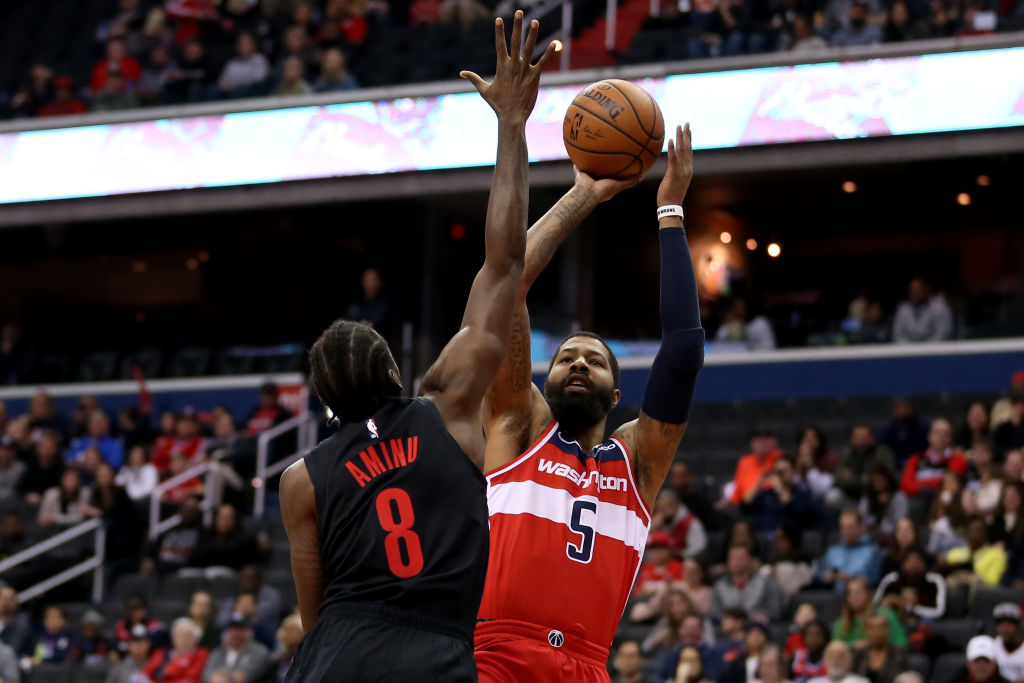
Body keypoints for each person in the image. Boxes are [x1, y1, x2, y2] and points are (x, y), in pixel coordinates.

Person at [279, 14, 557, 682]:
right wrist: (512, 127)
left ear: (323, 399)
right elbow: (503, 263)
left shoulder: (301, 479)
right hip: (436, 649)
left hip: (340, 652)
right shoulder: (448, 403)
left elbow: (313, 614)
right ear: (391, 364)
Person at [474, 100, 703, 683]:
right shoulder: (517, 424)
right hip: (497, 653)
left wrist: (670, 209)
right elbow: (508, 282)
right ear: (543, 380)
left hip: (586, 666)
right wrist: (583, 194)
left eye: (594, 360)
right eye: (566, 357)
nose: (578, 363)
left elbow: (682, 351)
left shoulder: (637, 461)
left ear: (616, 391)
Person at [742, 454, 815, 531]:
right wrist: (758, 484)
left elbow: (800, 513)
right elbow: (745, 505)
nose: (779, 475)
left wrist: (780, 489)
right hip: (762, 534)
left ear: (793, 472)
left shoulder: (801, 494)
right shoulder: (767, 494)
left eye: (782, 472)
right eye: (776, 472)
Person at [710, 544, 782, 621]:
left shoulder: (766, 583)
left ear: (750, 560)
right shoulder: (720, 586)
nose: (737, 561)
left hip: (757, 627)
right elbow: (714, 613)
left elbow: (775, 611)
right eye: (733, 558)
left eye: (741, 558)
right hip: (728, 629)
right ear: (728, 561)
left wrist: (764, 615)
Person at [900, 418, 967, 498]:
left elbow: (950, 484)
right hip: (916, 500)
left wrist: (919, 484)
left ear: (951, 438)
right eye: (937, 433)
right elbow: (906, 485)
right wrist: (932, 485)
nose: (941, 438)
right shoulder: (915, 459)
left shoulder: (957, 459)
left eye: (945, 434)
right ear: (929, 436)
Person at [874, 548, 946, 623]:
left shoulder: (934, 580)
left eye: (917, 562)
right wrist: (888, 602)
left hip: (923, 621)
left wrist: (911, 608)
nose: (913, 565)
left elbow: (940, 611)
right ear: (903, 564)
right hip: (894, 619)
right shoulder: (892, 579)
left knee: (928, 620)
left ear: (924, 563)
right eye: (909, 561)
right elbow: (874, 605)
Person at [819, 509, 882, 592]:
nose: (846, 530)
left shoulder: (873, 551)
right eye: (842, 526)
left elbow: (874, 579)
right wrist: (825, 576)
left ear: (862, 527)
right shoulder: (833, 551)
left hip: (861, 595)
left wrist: (850, 578)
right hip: (832, 595)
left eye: (850, 526)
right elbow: (818, 574)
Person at [833, 578, 907, 648]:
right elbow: (835, 647)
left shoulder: (886, 614)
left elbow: (901, 644)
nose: (853, 597)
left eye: (857, 593)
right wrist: (855, 645)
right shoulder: (842, 622)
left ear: (868, 594)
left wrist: (874, 645)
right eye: (850, 593)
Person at [202, 613, 271, 683]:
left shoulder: (259, 652)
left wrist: (222, 678)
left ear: (249, 631)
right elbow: (206, 675)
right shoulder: (218, 652)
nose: (235, 633)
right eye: (232, 628)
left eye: (240, 628)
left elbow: (247, 676)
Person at [142, 617, 209, 683]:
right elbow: (145, 674)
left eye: (188, 635)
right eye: (180, 634)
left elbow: (191, 679)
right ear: (173, 637)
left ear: (196, 638)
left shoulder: (200, 654)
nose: (184, 639)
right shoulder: (162, 653)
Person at [726, 430, 784, 505]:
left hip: (772, 503)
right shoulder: (745, 462)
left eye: (765, 439)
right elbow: (738, 492)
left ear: (774, 442)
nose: (761, 443)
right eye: (757, 439)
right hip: (747, 505)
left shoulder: (780, 458)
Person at [891, 277, 953, 343]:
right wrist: (910, 348)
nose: (915, 292)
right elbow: (897, 334)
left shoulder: (939, 307)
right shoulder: (903, 309)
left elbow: (942, 333)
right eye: (913, 289)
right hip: (908, 350)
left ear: (925, 290)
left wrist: (926, 348)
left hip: (933, 350)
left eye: (918, 289)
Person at [850, 614, 908, 683]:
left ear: (887, 629)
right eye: (872, 628)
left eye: (881, 627)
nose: (876, 632)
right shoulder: (858, 652)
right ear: (866, 630)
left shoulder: (898, 652)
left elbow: (901, 677)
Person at [650, 489, 707, 557]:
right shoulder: (659, 521)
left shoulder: (690, 522)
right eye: (661, 508)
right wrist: (652, 528)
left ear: (677, 505)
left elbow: (699, 549)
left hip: (683, 561)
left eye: (668, 506)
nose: (665, 511)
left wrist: (678, 553)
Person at [858, 465, 909, 536]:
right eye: (874, 481)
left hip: (892, 536)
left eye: (880, 479)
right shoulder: (867, 498)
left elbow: (901, 522)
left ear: (887, 479)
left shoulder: (899, 497)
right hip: (870, 534)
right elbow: (863, 518)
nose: (878, 483)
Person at [993, 603, 1024, 682]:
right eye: (1000, 623)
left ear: (1017, 626)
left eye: (1009, 623)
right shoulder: (991, 646)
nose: (1005, 628)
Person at [0, 587, 32, 656]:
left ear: (15, 602)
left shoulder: (21, 623)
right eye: (4, 599)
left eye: (10, 599)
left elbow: (12, 649)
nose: (6, 604)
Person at [272, 615, 303, 683]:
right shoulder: (278, 660)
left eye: (296, 631)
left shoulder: (309, 658)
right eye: (289, 631)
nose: (293, 635)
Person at [994, 392, 1024, 457]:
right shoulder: (1003, 427)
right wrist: (1010, 452)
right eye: (1017, 403)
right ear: (1012, 405)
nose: (1020, 407)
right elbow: (997, 447)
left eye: (1022, 404)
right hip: (1006, 460)